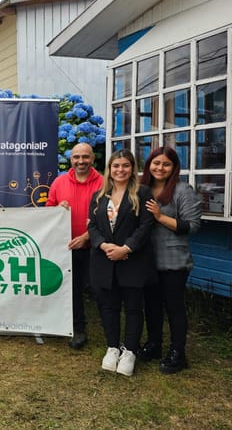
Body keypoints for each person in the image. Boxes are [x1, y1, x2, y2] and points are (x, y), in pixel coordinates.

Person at [87, 149, 155, 376]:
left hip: (132, 261)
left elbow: (146, 226)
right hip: (104, 260)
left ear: (132, 168)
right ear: (109, 169)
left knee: (134, 308)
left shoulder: (143, 193)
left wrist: (126, 248)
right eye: (116, 166)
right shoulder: (99, 195)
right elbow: (92, 226)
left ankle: (130, 351)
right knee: (108, 307)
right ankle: (113, 347)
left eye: (125, 165)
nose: (120, 170)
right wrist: (103, 245)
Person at [138, 147, 202, 374]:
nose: (160, 168)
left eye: (166, 164)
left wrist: (160, 216)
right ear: (149, 165)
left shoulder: (183, 190)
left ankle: (178, 352)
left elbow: (192, 226)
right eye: (156, 163)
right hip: (147, 259)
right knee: (152, 305)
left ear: (174, 167)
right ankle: (154, 344)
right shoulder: (142, 189)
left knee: (173, 307)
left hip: (174, 260)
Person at [46, 143, 103, 349]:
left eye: (85, 157)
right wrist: (57, 209)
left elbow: (109, 217)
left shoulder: (104, 183)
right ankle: (78, 330)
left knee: (100, 290)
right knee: (73, 291)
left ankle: (109, 329)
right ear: (71, 160)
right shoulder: (59, 183)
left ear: (92, 159)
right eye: (76, 157)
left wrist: (87, 237)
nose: (81, 161)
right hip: (67, 247)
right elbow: (48, 211)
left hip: (96, 247)